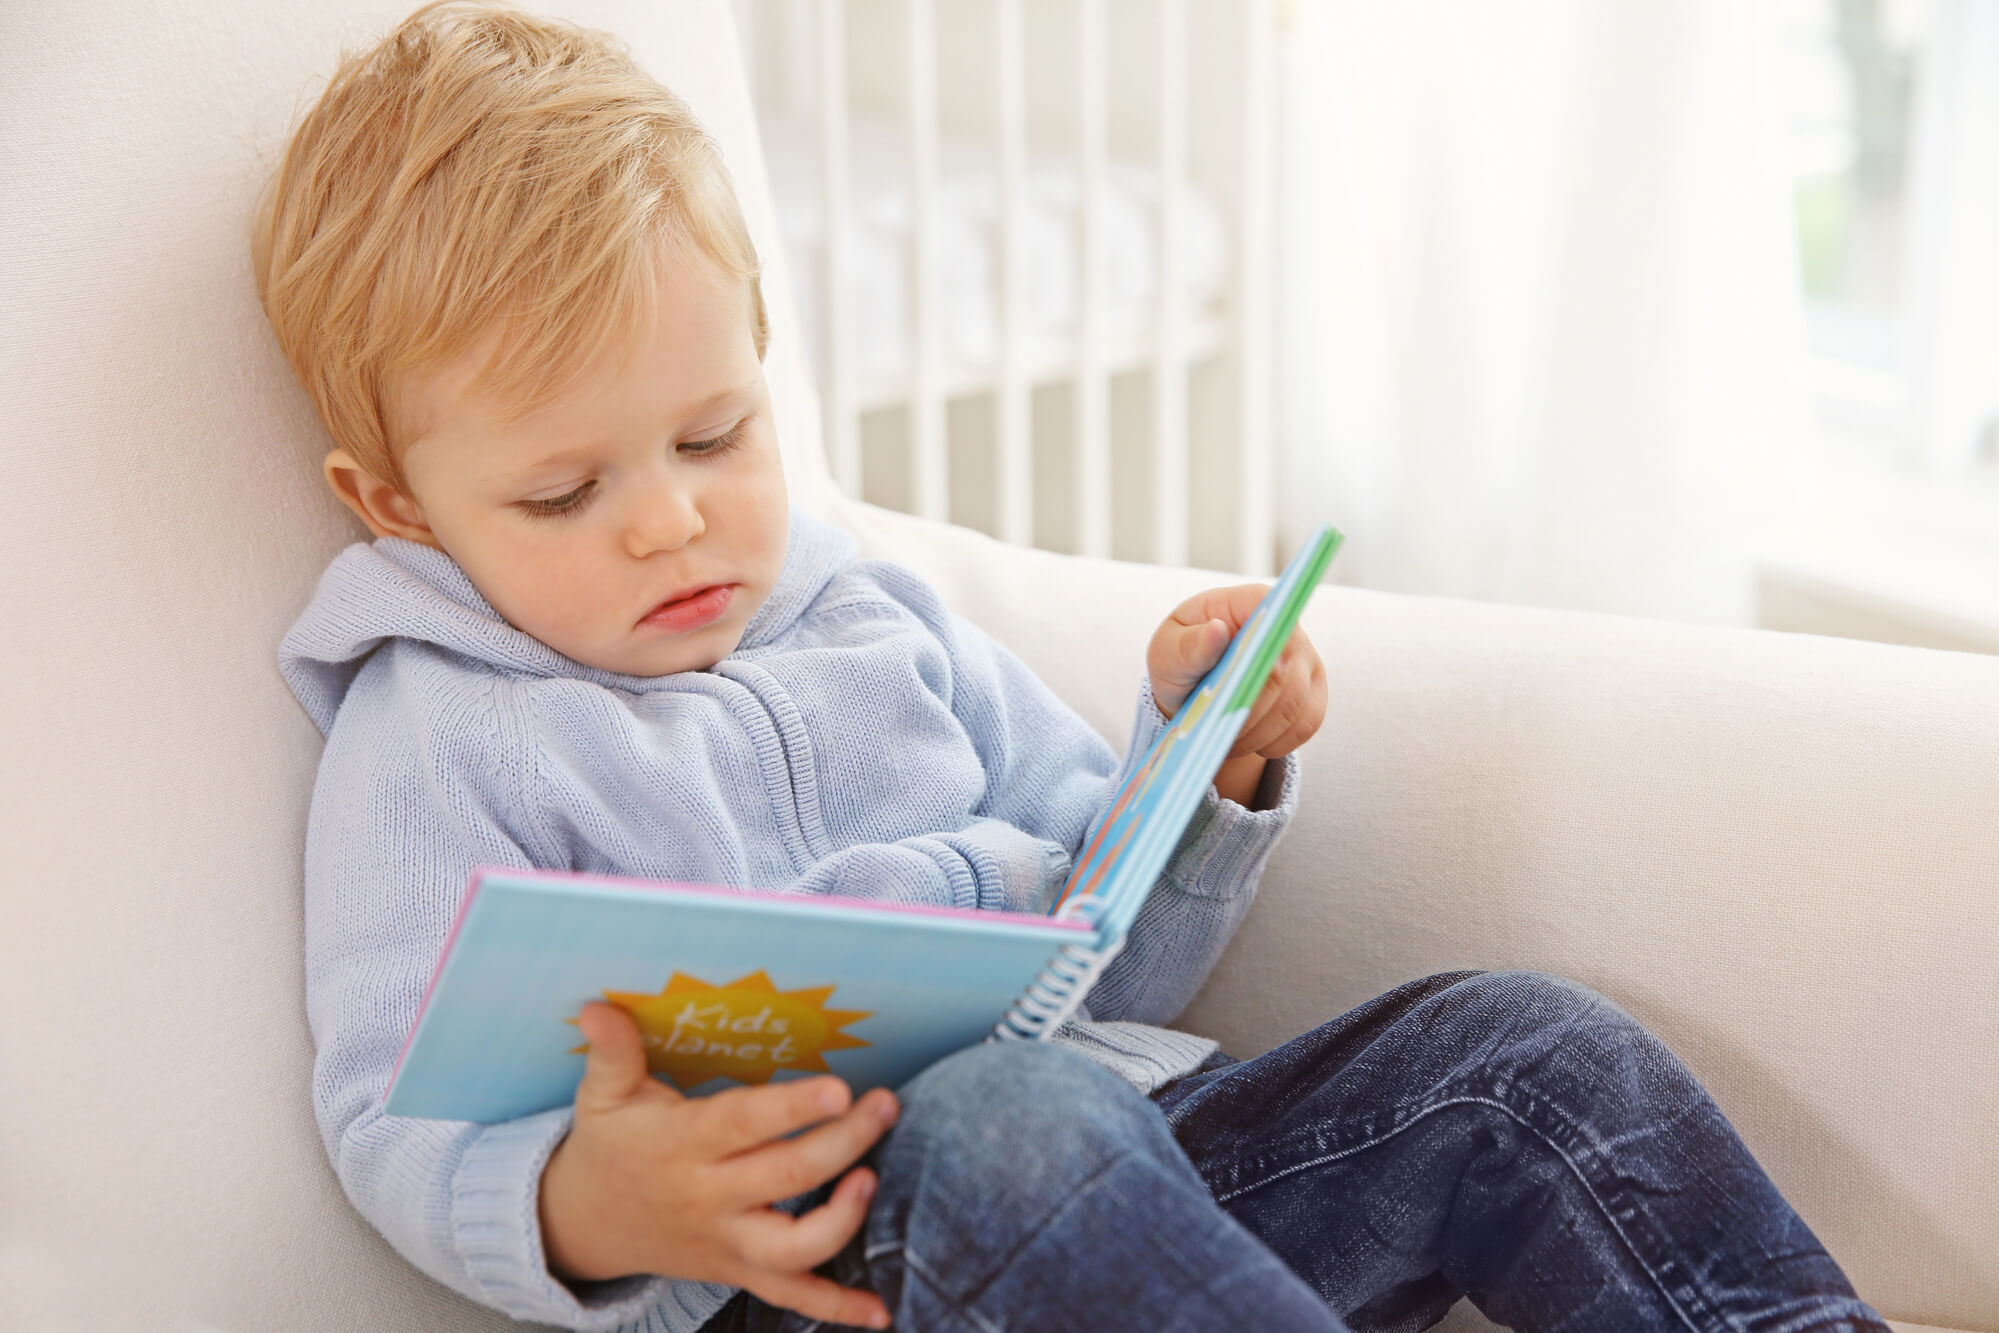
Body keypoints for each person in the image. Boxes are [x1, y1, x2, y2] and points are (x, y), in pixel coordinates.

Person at [260, 5, 1889, 1330]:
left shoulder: (871, 615)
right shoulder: (436, 737)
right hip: (810, 1280)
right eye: (565, 493)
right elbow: (391, 1116)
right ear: (395, 504)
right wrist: (590, 1205)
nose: (672, 521)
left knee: (1523, 1046)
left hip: (1149, 1184)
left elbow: (1110, 950)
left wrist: (1209, 760)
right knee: (1006, 1123)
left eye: (714, 432)